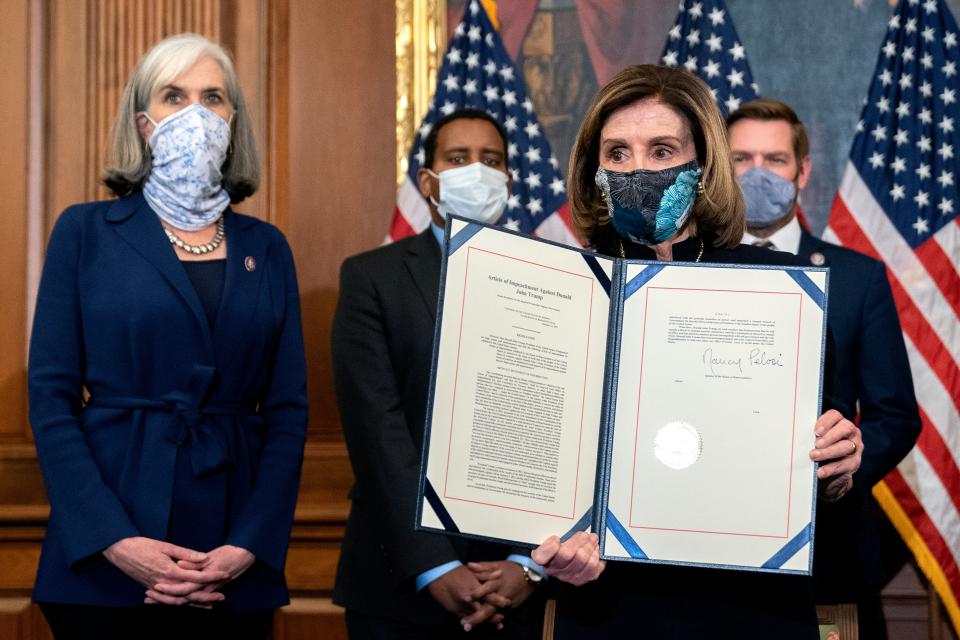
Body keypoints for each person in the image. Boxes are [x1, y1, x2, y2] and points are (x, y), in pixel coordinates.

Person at [529, 64, 863, 639]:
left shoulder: (782, 288)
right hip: (611, 608)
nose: (639, 170)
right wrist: (549, 545)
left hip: (752, 608)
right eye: (618, 153)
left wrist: (839, 462)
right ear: (594, 171)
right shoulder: (564, 292)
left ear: (703, 166)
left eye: (662, 151)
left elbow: (820, 468)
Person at [28, 33, 307, 640]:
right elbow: (49, 398)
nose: (197, 114)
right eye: (174, 96)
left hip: (231, 557)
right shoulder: (85, 231)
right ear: (144, 122)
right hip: (106, 551)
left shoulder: (268, 248)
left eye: (214, 98)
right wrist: (115, 539)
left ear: (234, 121)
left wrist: (246, 546)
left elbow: (288, 412)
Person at [332, 108, 546, 639]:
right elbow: (376, 429)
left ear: (508, 182)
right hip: (400, 581)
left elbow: (566, 429)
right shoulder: (371, 279)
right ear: (428, 181)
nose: (476, 170)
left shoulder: (555, 279)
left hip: (515, 585)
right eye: (458, 159)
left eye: (490, 160)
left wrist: (528, 563)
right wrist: (434, 563)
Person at [727, 97, 921, 638]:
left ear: (803, 170)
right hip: (706, 550)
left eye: (775, 159)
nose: (758, 173)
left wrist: (844, 465)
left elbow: (895, 415)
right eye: (741, 159)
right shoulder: (686, 267)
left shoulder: (858, 278)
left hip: (826, 552)